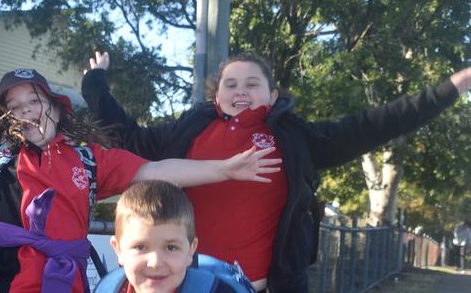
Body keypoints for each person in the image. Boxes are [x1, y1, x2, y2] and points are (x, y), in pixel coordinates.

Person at [0, 0, 282, 293]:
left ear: (55, 106)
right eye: (15, 107)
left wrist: (225, 169)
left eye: (34, 101)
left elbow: (157, 170)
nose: (26, 111)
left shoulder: (87, 160)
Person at [82, 51, 471, 293]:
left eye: (253, 84)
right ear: (216, 96)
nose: (240, 90)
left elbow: (375, 124)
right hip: (184, 284)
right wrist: (95, 81)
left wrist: (454, 86)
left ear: (272, 95)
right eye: (230, 84)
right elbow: (128, 136)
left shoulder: (297, 137)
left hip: (259, 286)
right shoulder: (187, 130)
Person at [95, 180, 256, 293]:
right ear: (118, 249)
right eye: (140, 247)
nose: (155, 263)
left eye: (171, 247)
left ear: (191, 251)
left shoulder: (217, 290)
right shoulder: (107, 288)